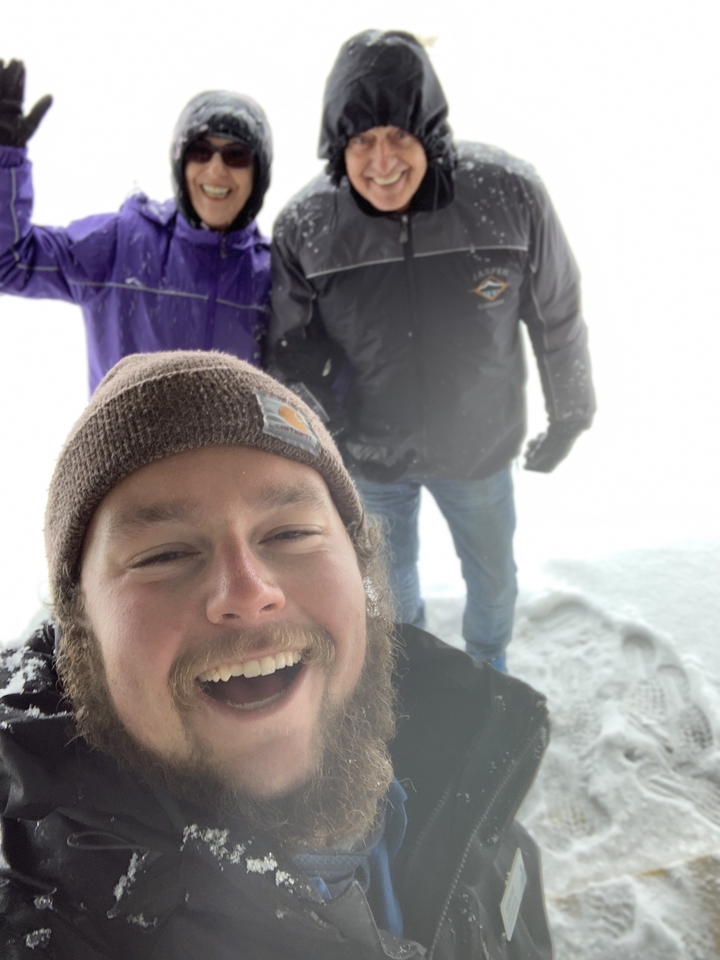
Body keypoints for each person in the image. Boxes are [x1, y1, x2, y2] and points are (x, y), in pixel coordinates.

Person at [0, 350, 552, 959]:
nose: (248, 592)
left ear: (360, 565)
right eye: (163, 555)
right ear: (80, 630)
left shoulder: (470, 785)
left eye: (290, 533)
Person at [270, 31, 596, 672]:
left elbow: (557, 309)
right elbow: (287, 345)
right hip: (370, 458)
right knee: (390, 594)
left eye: (400, 135)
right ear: (338, 146)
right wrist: (327, 426)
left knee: (494, 581)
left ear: (432, 130)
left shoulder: (507, 195)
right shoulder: (308, 225)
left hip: (478, 451)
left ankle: (488, 666)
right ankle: (414, 681)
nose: (382, 159)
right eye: (361, 140)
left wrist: (571, 412)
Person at [0, 59, 272, 393]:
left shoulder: (273, 278)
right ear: (180, 163)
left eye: (236, 156)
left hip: (229, 447)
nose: (215, 171)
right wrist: (4, 157)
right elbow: (9, 262)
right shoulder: (121, 246)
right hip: (123, 445)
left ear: (258, 173)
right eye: (200, 152)